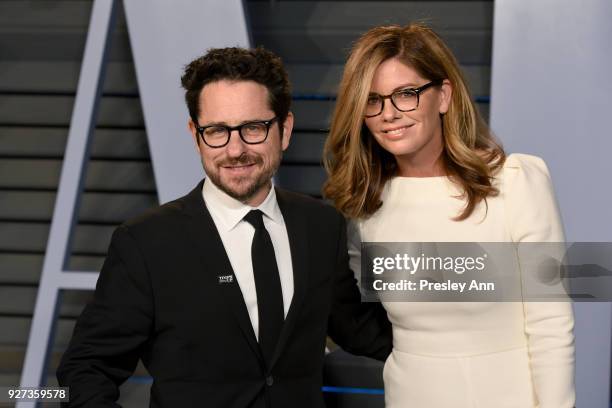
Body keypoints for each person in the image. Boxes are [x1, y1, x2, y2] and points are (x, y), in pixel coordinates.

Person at [57, 46, 391, 408]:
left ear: (285, 129)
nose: (235, 150)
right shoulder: (146, 242)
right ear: (195, 133)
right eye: (216, 131)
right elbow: (84, 369)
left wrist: (454, 297)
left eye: (252, 128)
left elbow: (360, 329)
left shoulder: (321, 225)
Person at [323, 23, 575, 408]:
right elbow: (354, 314)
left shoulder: (516, 182)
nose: (389, 114)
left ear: (443, 96)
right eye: (372, 101)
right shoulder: (366, 205)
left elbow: (551, 327)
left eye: (406, 94)